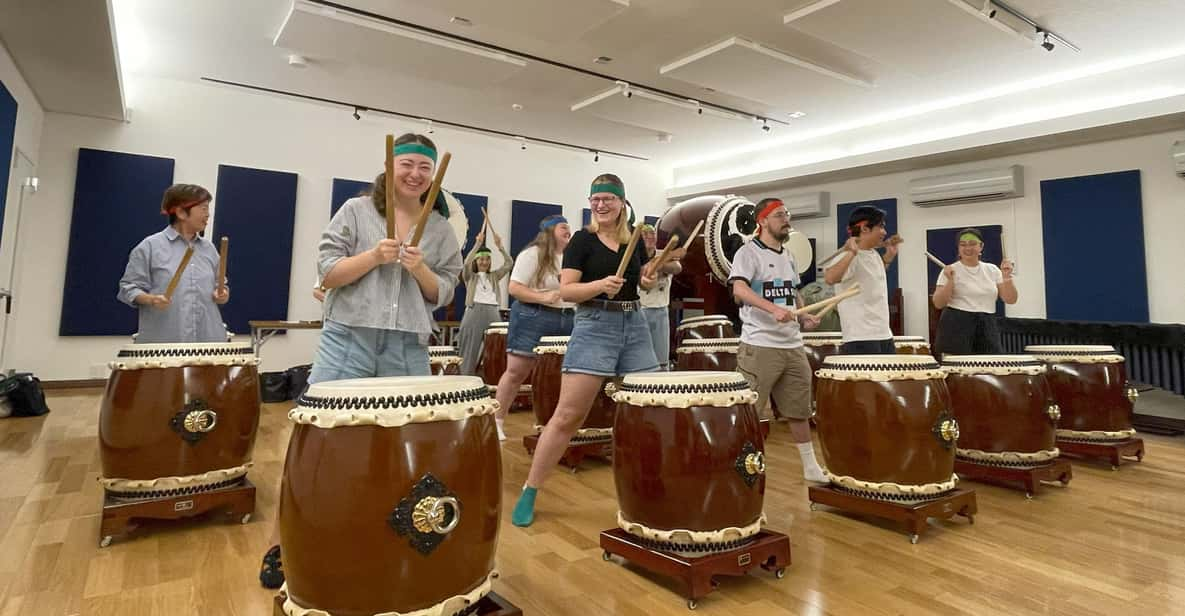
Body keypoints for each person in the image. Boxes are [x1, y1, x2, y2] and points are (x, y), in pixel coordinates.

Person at [259, 132, 462, 589]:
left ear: (433, 175)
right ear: (390, 167)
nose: (415, 174)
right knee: (318, 443)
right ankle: (281, 542)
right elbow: (327, 274)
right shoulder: (355, 212)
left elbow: (443, 291)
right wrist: (374, 256)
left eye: (424, 168)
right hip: (347, 339)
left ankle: (390, 531)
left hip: (408, 345)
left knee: (405, 445)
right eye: (407, 164)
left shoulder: (442, 230)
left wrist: (419, 268)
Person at [511, 173, 658, 527]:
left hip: (635, 326)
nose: (601, 204)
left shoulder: (634, 239)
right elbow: (568, 291)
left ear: (622, 203)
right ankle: (530, 489)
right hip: (595, 326)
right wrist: (598, 286)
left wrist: (647, 280)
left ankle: (653, 489)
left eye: (608, 198)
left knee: (652, 409)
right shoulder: (581, 240)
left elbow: (638, 283)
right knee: (567, 417)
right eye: (595, 199)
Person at [729, 199, 826, 483]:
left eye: (787, 214)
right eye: (780, 215)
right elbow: (739, 289)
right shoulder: (748, 253)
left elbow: (793, 292)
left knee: (799, 410)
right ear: (763, 221)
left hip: (792, 345)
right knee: (750, 411)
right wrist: (772, 309)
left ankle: (810, 466)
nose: (787, 219)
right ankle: (738, 463)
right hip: (760, 344)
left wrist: (803, 315)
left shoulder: (789, 256)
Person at [492, 215, 574, 441]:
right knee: (517, 372)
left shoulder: (571, 257)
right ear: (549, 231)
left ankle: (553, 423)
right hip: (533, 316)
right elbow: (515, 288)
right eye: (563, 227)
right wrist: (543, 296)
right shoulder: (532, 254)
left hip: (567, 317)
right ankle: (496, 421)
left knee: (562, 374)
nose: (569, 231)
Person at [117, 184, 229, 342]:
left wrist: (222, 294)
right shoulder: (150, 247)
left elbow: (220, 285)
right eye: (203, 209)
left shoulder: (209, 249)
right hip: (164, 345)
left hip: (208, 343)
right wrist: (152, 299)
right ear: (181, 212)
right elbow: (128, 288)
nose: (208, 214)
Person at [823, 205, 899, 354]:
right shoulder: (847, 256)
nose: (884, 232)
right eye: (880, 226)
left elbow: (870, 277)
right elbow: (830, 278)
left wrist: (888, 258)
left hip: (884, 333)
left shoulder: (874, 254)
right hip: (860, 336)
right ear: (864, 228)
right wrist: (851, 253)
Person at [931, 228, 1017, 356]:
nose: (968, 248)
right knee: (958, 372)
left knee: (991, 367)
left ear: (981, 246)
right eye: (963, 244)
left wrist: (1006, 277)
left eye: (972, 244)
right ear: (958, 248)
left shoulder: (992, 270)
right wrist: (950, 280)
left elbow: (1010, 299)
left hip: (987, 323)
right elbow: (938, 303)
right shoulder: (949, 270)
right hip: (956, 324)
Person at [456, 228, 513, 375]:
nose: (485, 262)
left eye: (487, 259)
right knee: (469, 348)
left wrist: (500, 246)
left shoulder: (494, 276)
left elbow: (509, 263)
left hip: (493, 312)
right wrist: (477, 244)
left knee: (496, 349)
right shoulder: (471, 276)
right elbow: (466, 264)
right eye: (481, 259)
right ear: (477, 260)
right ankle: (465, 380)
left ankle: (492, 379)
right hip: (474, 310)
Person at [638, 223, 684, 370]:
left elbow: (677, 267)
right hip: (639, 310)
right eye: (645, 235)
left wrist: (660, 264)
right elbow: (643, 269)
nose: (650, 238)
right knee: (640, 355)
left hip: (660, 311)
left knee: (661, 358)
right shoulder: (635, 255)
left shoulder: (663, 254)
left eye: (652, 235)